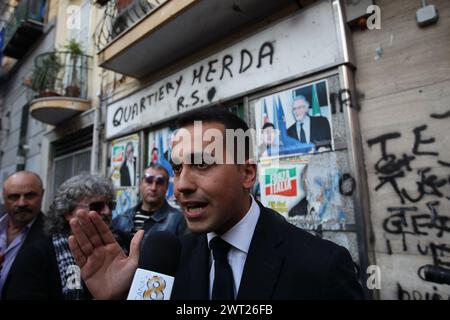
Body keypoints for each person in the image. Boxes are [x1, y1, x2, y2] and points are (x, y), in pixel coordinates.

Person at [68, 108, 363, 300]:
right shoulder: (168, 262)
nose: (181, 184)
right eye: (178, 168)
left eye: (201, 164)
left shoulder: (321, 266)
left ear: (246, 173)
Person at [2, 174, 116, 299]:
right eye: (97, 206)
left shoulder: (123, 243)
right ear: (68, 213)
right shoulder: (38, 252)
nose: (107, 212)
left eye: (110, 205)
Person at [112, 163, 188, 252]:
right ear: (140, 184)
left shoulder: (178, 221)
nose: (153, 187)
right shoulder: (121, 219)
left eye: (159, 182)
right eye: (149, 180)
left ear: (167, 187)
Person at [0, 171, 45, 299]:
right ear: (4, 197)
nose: (21, 203)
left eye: (30, 195)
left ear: (42, 194)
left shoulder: (54, 236)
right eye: (14, 197)